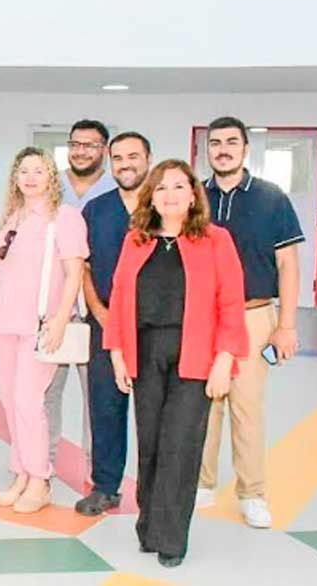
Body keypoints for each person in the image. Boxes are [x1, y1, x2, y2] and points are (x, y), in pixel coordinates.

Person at [104, 159, 247, 568]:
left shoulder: (216, 240)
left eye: (179, 186)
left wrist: (224, 359)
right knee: (150, 444)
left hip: (196, 355)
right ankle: (149, 525)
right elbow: (119, 296)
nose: (170, 194)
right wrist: (117, 353)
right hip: (144, 353)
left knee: (180, 445)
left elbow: (231, 302)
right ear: (151, 196)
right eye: (161, 187)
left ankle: (171, 538)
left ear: (193, 195)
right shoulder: (136, 240)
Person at [198, 116, 304, 529]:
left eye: (231, 142)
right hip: (203, 319)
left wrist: (286, 325)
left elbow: (288, 265)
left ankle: (252, 494)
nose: (222, 149)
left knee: (246, 409)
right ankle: (201, 484)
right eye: (215, 142)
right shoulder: (194, 197)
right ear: (207, 150)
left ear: (245, 149)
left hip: (254, 316)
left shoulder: (271, 198)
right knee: (203, 407)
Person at [0, 147, 87, 514]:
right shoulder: (12, 219)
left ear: (51, 178)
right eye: (23, 171)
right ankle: (21, 471)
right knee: (10, 401)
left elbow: (74, 273)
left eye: (38, 171)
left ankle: (40, 478)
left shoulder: (65, 218)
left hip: (40, 325)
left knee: (30, 403)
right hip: (6, 324)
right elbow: (2, 273)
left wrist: (60, 320)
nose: (30, 178)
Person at [74, 132, 152, 516]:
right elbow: (84, 268)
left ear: (148, 159)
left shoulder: (164, 207)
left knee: (153, 413)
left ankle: (153, 493)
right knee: (105, 407)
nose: (126, 164)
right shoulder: (96, 210)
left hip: (155, 328)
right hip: (104, 325)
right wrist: (99, 311)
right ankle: (105, 486)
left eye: (133, 156)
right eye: (118, 158)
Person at [46, 119, 114, 475]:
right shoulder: (49, 186)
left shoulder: (116, 189)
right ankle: (42, 462)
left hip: (99, 310)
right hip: (53, 308)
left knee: (98, 397)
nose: (81, 151)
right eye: (75, 144)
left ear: (104, 150)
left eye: (90, 145)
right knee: (45, 392)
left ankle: (95, 466)